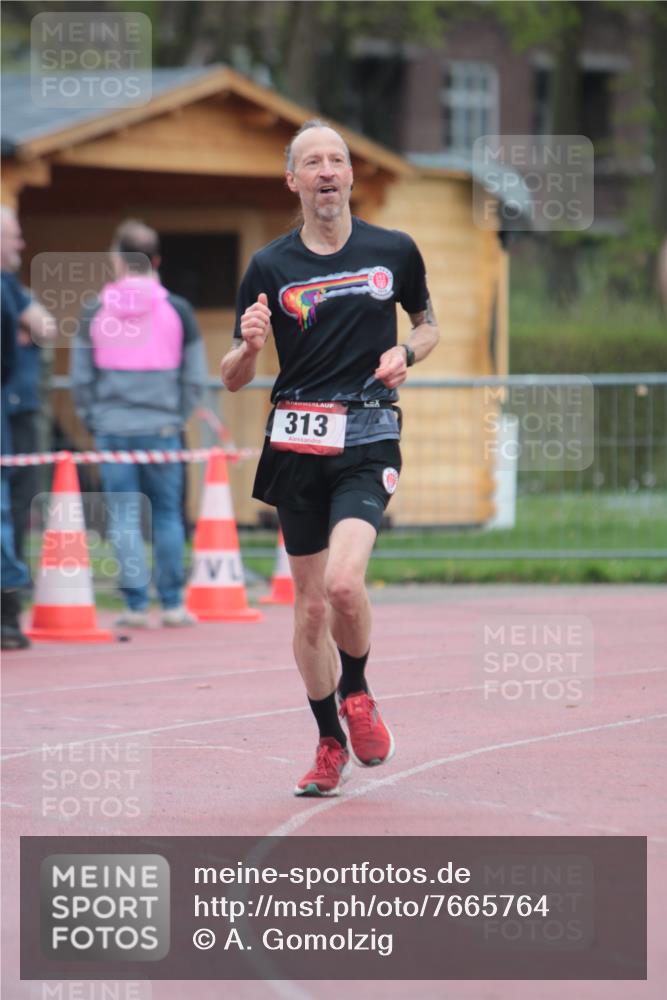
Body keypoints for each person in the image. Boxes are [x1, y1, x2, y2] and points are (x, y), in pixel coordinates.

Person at [221, 120, 440, 796]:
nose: (326, 171)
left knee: (344, 584)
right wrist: (249, 348)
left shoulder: (392, 250)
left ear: (348, 176)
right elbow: (231, 376)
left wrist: (405, 353)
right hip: (296, 444)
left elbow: (427, 325)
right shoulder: (269, 267)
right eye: (311, 162)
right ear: (293, 180)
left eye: (336, 160)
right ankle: (327, 741)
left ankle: (358, 690)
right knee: (311, 608)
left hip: (367, 434)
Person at [71, 219, 208, 627]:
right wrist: (176, 416)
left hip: (113, 428)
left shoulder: (94, 310)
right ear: (157, 261)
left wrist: (94, 419)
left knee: (123, 516)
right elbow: (195, 378)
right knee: (167, 514)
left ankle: (134, 606)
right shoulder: (178, 310)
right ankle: (171, 603)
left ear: (118, 260)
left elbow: (80, 378)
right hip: (163, 429)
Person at [0, 206, 56, 649]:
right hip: (11, 412)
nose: (20, 243)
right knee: (9, 511)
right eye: (14, 236)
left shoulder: (11, 288)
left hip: (18, 412)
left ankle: (8, 612)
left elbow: (45, 326)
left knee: (16, 510)